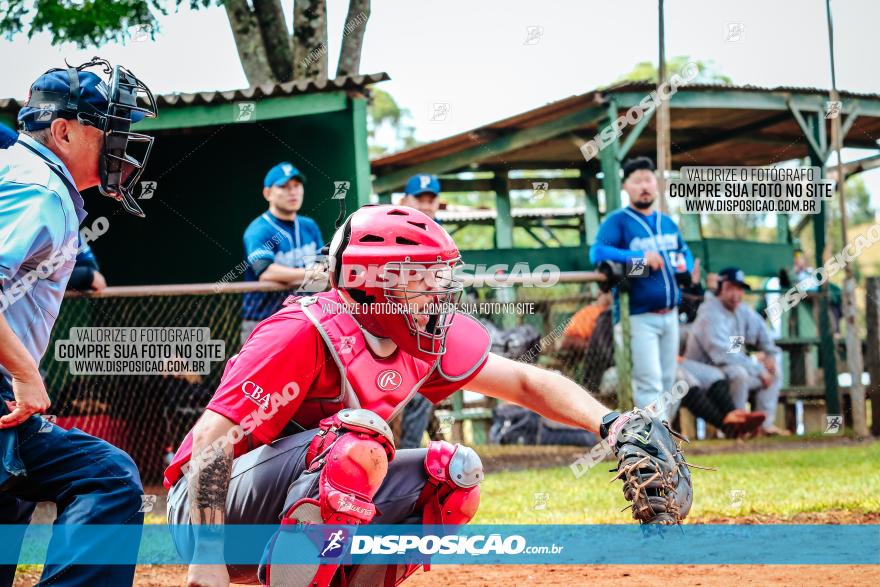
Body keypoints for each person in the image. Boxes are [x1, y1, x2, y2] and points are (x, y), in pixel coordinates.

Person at [164, 205, 690, 587]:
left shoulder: (420, 334)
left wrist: (612, 424)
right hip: (206, 514)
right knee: (359, 444)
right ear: (373, 282)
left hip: (290, 498)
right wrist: (207, 560)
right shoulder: (300, 332)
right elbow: (212, 440)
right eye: (424, 279)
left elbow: (526, 382)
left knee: (455, 474)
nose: (439, 293)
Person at [0, 58, 156, 586]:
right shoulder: (38, 188)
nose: (124, 143)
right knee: (108, 478)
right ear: (63, 130)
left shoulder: (25, 175)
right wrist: (24, 372)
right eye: (113, 128)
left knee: (13, 502)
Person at [590, 156, 693, 415]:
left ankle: (664, 441)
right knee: (649, 382)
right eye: (637, 181)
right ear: (626, 187)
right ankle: (655, 444)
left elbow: (684, 252)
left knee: (669, 382)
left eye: (648, 179)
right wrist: (636, 258)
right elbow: (598, 252)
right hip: (636, 316)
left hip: (670, 314)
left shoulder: (667, 222)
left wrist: (687, 266)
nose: (644, 186)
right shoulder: (619, 221)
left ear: (656, 184)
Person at [685, 267, 789, 435]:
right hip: (703, 372)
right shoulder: (709, 311)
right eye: (730, 288)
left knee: (773, 370)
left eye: (739, 289)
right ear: (720, 289)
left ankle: (764, 426)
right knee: (739, 373)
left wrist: (769, 355)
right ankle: (740, 426)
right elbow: (722, 355)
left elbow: (763, 333)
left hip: (727, 370)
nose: (736, 294)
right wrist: (758, 369)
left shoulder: (742, 310)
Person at [240, 162, 325, 344]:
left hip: (305, 319)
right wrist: (310, 275)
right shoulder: (259, 230)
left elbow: (324, 267)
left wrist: (316, 273)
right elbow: (266, 273)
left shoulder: (309, 226)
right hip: (263, 322)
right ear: (267, 193)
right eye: (284, 187)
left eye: (296, 186)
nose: (292, 192)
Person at [397, 173, 442, 448]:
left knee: (420, 392)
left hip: (423, 327)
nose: (426, 205)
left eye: (431, 199)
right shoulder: (391, 227)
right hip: (385, 323)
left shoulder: (440, 235)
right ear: (404, 200)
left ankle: (405, 457)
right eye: (419, 198)